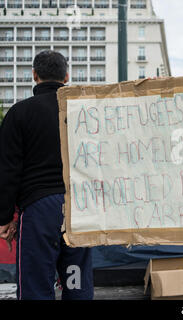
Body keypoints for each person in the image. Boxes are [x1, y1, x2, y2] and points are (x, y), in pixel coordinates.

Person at [0, 50, 93, 300]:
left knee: (36, 286)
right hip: (79, 210)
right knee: (77, 283)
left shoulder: (19, 113)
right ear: (66, 76)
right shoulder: (83, 112)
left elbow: (8, 171)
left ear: (34, 75)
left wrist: (5, 217)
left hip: (39, 210)